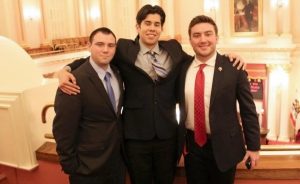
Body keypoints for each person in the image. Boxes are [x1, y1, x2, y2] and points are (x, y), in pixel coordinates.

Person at [56, 5, 245, 184]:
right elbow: (95, 56)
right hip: (135, 137)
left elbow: (198, 60)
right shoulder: (122, 48)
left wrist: (226, 57)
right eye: (147, 23)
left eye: (157, 24)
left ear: (161, 28)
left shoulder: (173, 48)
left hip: (167, 135)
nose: (152, 28)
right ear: (138, 26)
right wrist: (65, 69)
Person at [178, 15, 261, 184]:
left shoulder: (234, 67)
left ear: (217, 37)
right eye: (197, 35)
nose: (203, 40)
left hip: (225, 147)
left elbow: (248, 110)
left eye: (208, 34)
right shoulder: (182, 67)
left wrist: (253, 147)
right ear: (190, 40)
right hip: (192, 148)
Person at [52, 27, 125, 184]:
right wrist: (70, 165)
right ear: (89, 45)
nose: (105, 50)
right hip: (86, 168)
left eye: (111, 45)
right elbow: (63, 128)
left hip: (116, 163)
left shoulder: (117, 73)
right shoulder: (73, 81)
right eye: (99, 44)